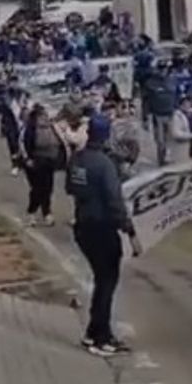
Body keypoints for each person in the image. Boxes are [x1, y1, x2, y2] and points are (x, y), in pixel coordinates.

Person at [66, 115, 136, 357]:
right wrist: (128, 228)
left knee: (101, 280)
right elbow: (115, 202)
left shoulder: (77, 159)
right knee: (107, 283)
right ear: (106, 136)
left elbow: (69, 188)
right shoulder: (104, 164)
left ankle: (92, 332)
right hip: (102, 228)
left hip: (83, 225)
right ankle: (101, 338)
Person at [21, 104, 67, 227]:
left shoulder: (53, 127)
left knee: (48, 188)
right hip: (35, 161)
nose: (45, 118)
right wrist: (27, 159)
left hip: (49, 161)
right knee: (37, 189)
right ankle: (31, 212)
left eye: (46, 115)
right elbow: (23, 144)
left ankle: (47, 212)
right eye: (42, 116)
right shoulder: (30, 128)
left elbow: (62, 141)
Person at [142, 64, 177, 165]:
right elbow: (145, 101)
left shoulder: (171, 81)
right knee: (160, 140)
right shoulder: (150, 83)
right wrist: (145, 117)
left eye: (164, 69)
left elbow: (176, 95)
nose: (162, 71)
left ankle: (168, 156)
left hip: (170, 113)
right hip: (157, 115)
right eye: (160, 69)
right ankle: (161, 158)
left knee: (170, 138)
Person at [169, 96, 192, 161]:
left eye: (189, 102)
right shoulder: (176, 116)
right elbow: (176, 134)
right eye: (185, 103)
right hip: (183, 148)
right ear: (180, 104)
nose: (187, 105)